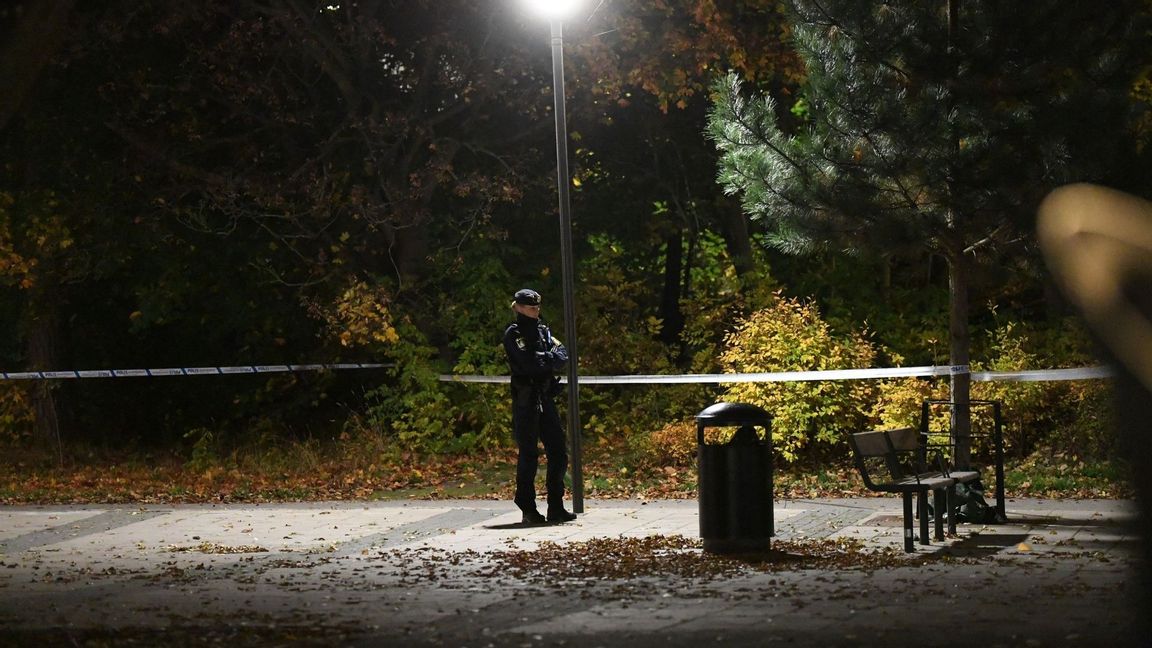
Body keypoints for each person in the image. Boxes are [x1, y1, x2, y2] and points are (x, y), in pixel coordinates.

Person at [503, 288, 577, 524]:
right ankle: (528, 508)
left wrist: (546, 359)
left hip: (545, 398)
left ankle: (556, 505)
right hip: (526, 401)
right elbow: (529, 363)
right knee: (529, 455)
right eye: (531, 308)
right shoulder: (514, 334)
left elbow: (562, 354)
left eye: (537, 307)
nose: (536, 311)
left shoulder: (543, 331)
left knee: (558, 451)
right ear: (519, 308)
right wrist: (547, 360)